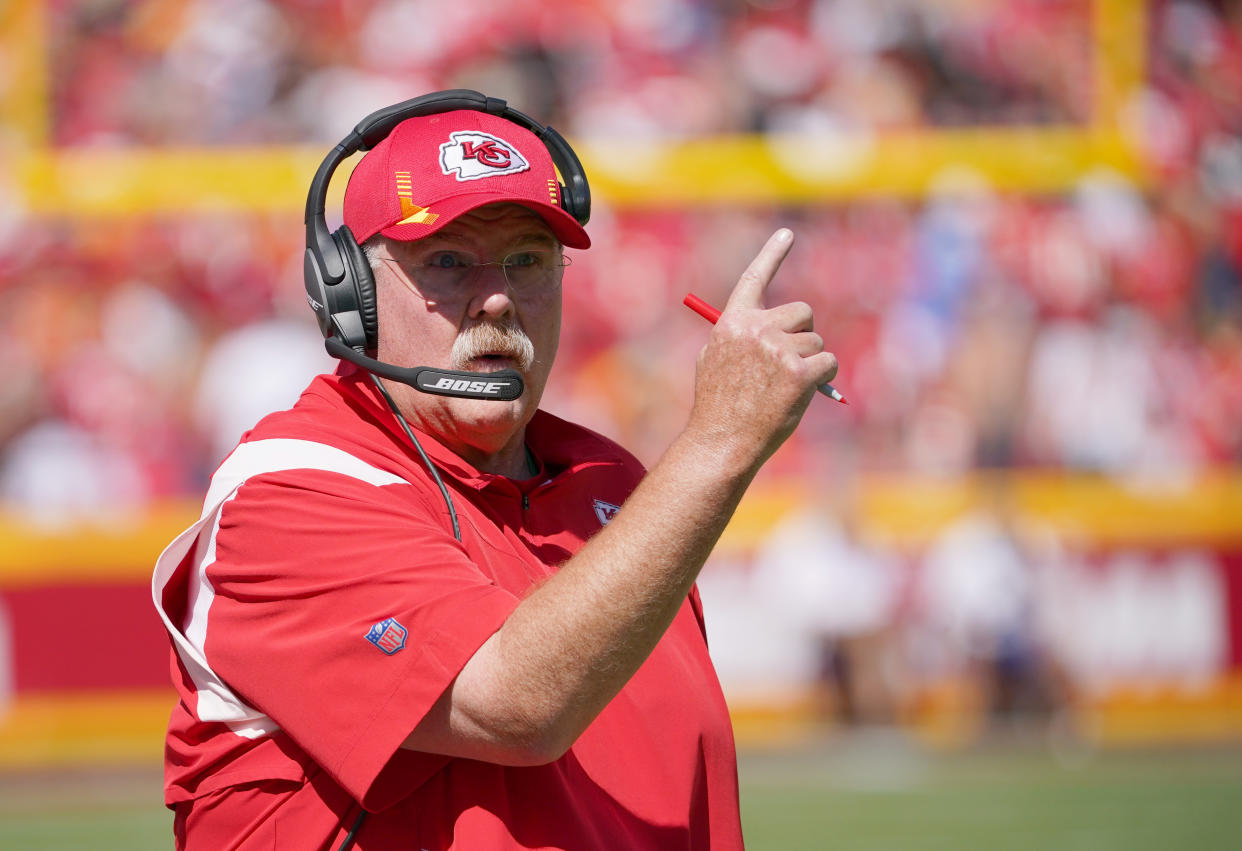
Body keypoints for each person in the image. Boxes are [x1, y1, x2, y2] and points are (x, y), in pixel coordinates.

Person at [152, 92, 837, 850]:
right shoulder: (286, 492)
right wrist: (718, 443)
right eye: (447, 261)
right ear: (348, 293)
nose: (499, 296)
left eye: (528, 259)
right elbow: (515, 705)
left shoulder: (611, 479)